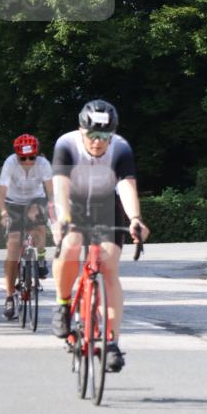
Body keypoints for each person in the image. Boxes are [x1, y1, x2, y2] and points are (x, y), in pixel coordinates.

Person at [50, 100, 149, 372]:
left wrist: (135, 219)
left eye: (104, 136)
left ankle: (112, 342)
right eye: (92, 135)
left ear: (112, 134)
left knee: (109, 265)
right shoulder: (66, 144)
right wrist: (65, 221)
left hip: (106, 205)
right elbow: (60, 187)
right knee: (71, 244)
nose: (97, 142)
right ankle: (62, 303)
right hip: (72, 203)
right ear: (81, 131)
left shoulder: (121, 148)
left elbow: (127, 186)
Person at [0, 135, 54, 320]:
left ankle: (42, 259)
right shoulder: (10, 163)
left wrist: (47, 208)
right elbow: (1, 194)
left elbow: (51, 192)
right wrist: (4, 213)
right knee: (13, 245)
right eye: (23, 158)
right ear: (17, 156)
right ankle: (9, 296)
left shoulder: (43, 164)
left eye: (31, 158)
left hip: (36, 200)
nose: (28, 162)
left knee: (39, 227)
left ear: (36, 155)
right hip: (13, 202)